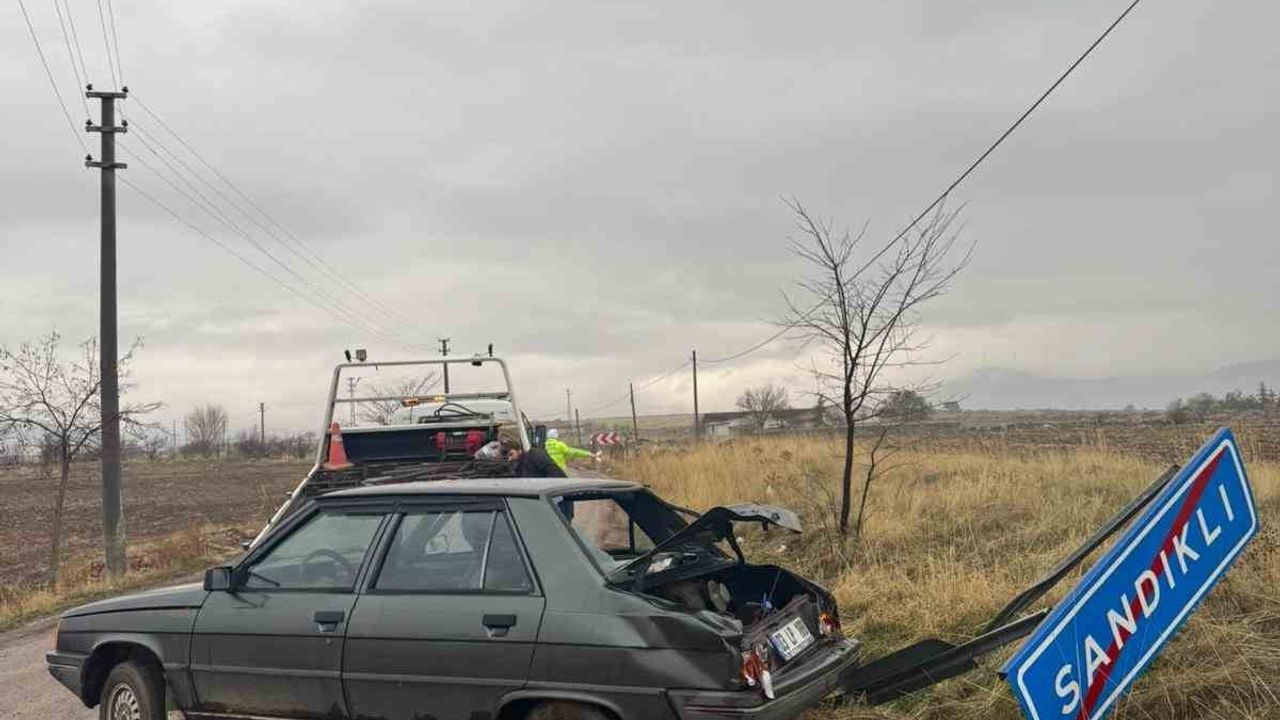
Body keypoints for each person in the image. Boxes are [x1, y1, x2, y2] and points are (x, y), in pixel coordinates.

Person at [501, 439, 566, 478]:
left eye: (511, 454)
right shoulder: (518, 466)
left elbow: (554, 473)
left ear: (519, 450)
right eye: (507, 457)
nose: (510, 459)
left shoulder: (534, 455)